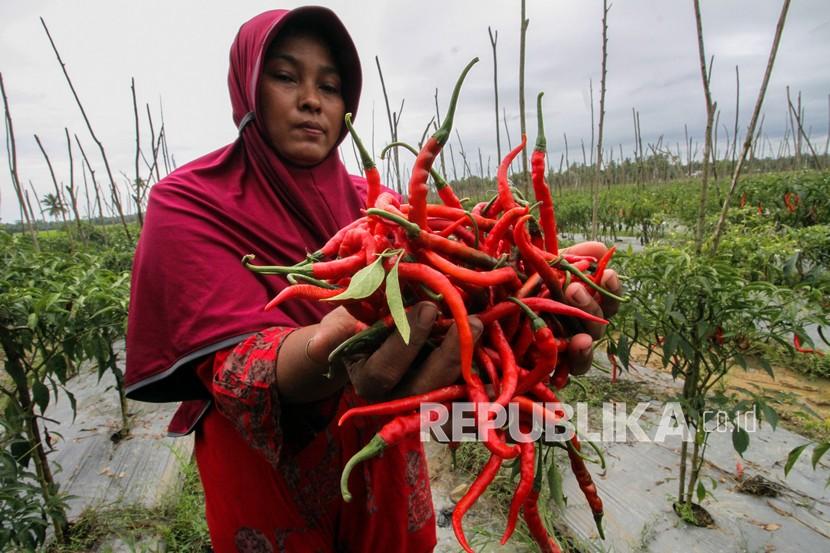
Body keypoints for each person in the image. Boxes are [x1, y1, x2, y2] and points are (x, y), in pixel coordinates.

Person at [125, 6, 621, 553]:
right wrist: (330, 349)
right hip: (262, 473)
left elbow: (460, 307)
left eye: (331, 86)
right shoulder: (188, 201)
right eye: (286, 76)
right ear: (247, 86)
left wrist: (524, 322)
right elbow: (233, 364)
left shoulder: (378, 204)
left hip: (382, 443)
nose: (312, 99)